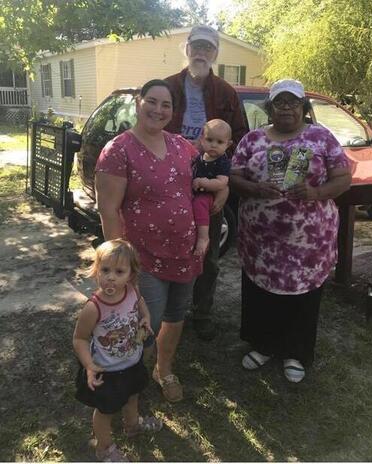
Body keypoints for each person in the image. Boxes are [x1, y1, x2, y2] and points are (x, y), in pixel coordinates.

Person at [228, 79, 351, 383]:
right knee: (260, 294)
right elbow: (233, 177)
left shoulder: (321, 138)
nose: (286, 108)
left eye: (293, 103)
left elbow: (343, 178)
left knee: (302, 298)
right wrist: (254, 188)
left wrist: (315, 193)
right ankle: (264, 344)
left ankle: (295, 352)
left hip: (307, 245)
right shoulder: (252, 140)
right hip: (261, 243)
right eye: (279, 103)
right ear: (269, 108)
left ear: (304, 107)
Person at [96, 79, 201, 403]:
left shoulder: (183, 146)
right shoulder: (117, 150)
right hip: (143, 257)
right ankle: (128, 381)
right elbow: (109, 210)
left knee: (176, 315)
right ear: (138, 103)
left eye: (166, 104)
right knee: (144, 323)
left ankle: (163, 370)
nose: (158, 109)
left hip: (184, 252)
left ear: (173, 111)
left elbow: (197, 185)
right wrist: (120, 264)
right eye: (151, 101)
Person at [164, 24, 249, 341]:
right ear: (186, 49)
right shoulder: (168, 88)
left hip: (211, 183)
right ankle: (168, 312)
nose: (201, 53)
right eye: (196, 47)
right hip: (170, 181)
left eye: (208, 48)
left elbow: (240, 137)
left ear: (215, 53)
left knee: (208, 254)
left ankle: (201, 313)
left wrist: (225, 183)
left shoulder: (226, 92)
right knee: (169, 247)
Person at [73, 239, 162, 461]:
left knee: (133, 396)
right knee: (106, 411)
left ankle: (132, 425)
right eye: (105, 270)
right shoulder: (93, 307)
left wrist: (146, 319)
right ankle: (104, 448)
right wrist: (89, 365)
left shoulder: (131, 291)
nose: (111, 276)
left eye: (119, 271)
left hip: (132, 361)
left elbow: (141, 303)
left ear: (131, 275)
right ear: (96, 270)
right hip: (107, 371)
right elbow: (80, 338)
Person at [191, 119, 232, 256]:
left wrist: (204, 182)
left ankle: (203, 238)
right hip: (196, 192)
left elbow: (222, 183)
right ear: (202, 140)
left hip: (208, 195)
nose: (213, 145)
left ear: (228, 144)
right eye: (209, 140)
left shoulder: (222, 162)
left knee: (199, 204)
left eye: (219, 142)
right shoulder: (200, 157)